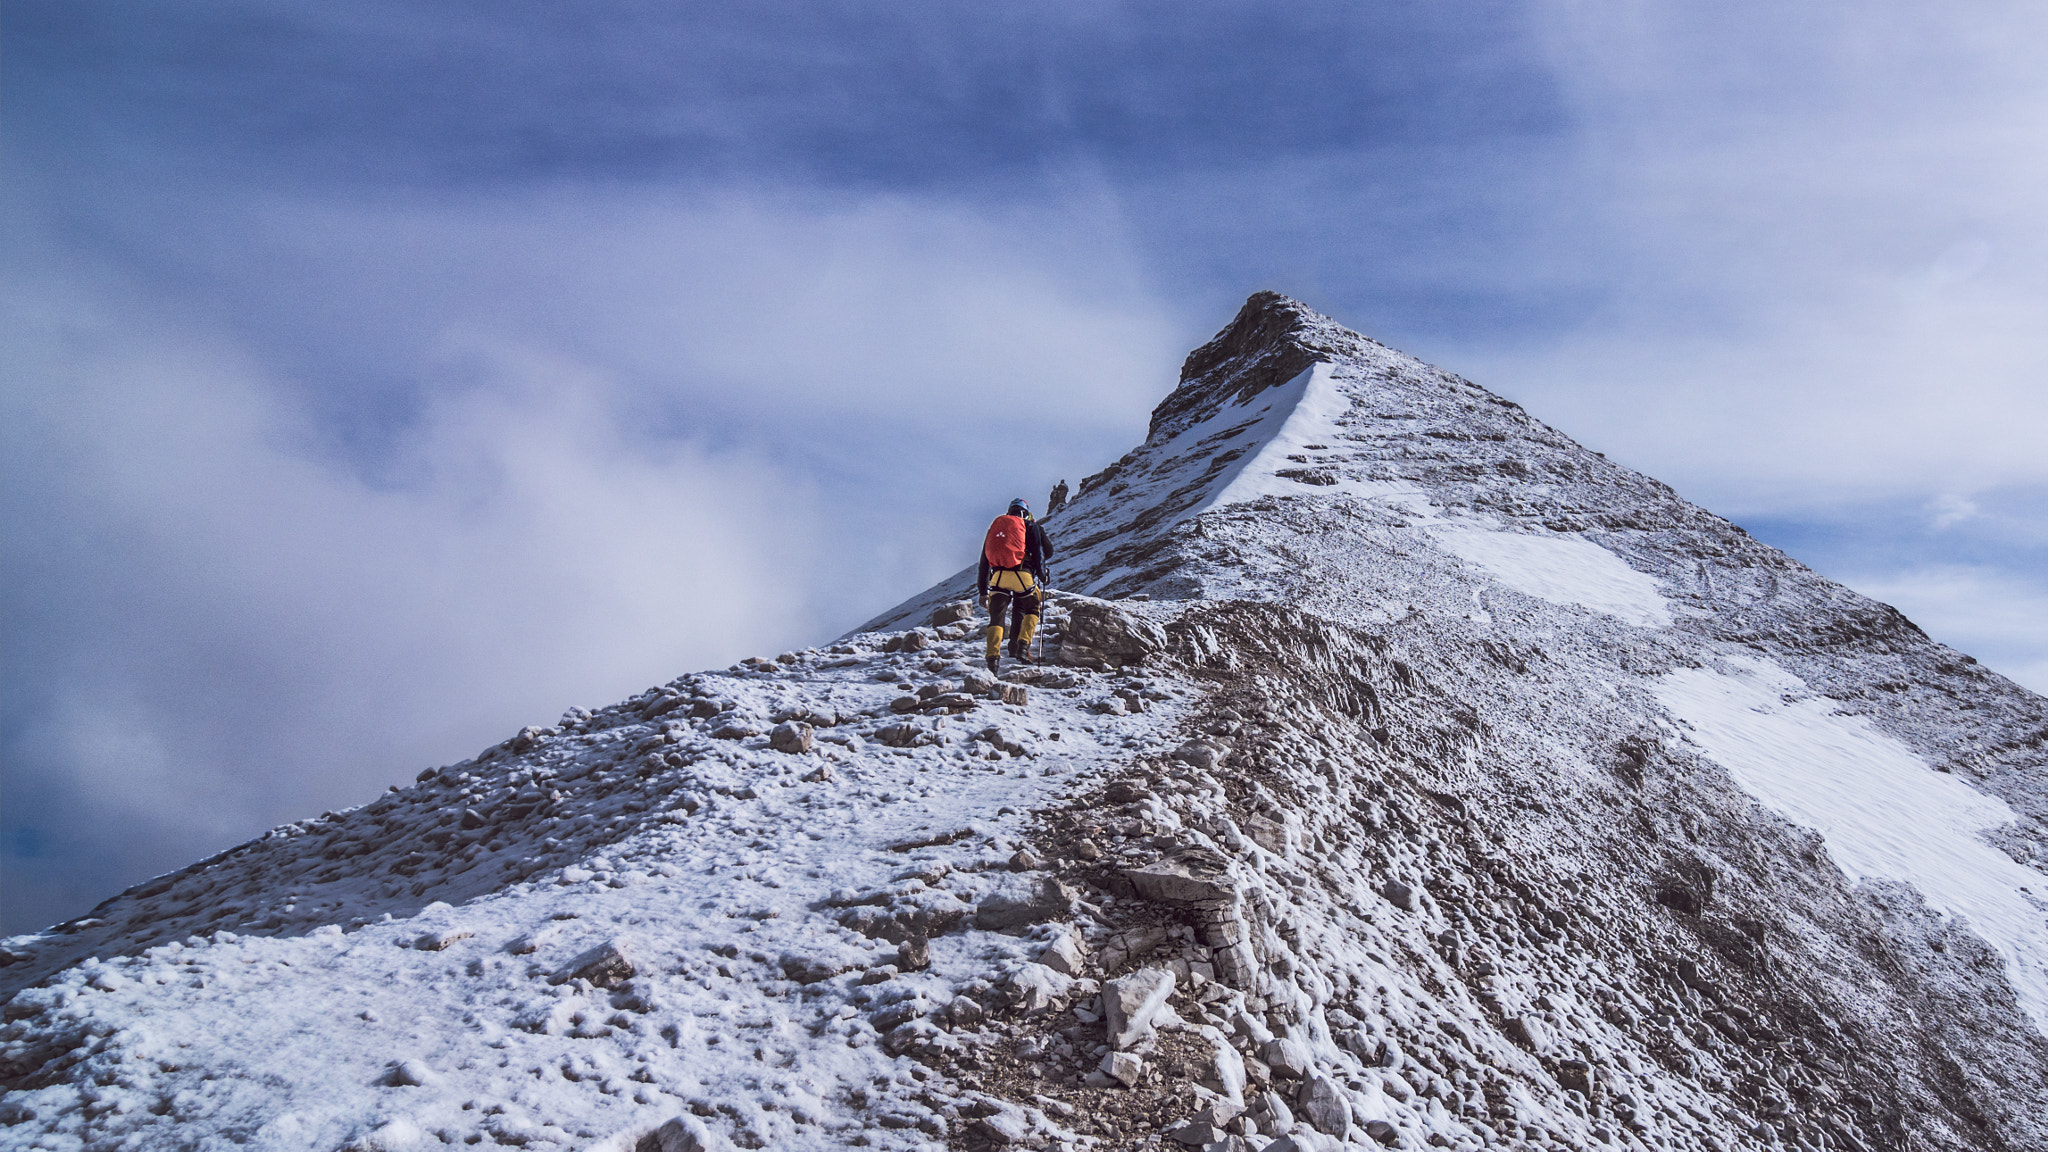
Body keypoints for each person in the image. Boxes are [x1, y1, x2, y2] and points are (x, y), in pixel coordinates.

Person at [977, 497, 1055, 672]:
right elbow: (1041, 552)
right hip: (1022, 576)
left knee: (996, 618)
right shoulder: (1031, 526)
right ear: (1026, 513)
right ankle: (1023, 646)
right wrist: (1042, 575)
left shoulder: (995, 529)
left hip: (997, 577)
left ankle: (992, 659)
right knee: (1033, 608)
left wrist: (983, 591)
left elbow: (983, 563)